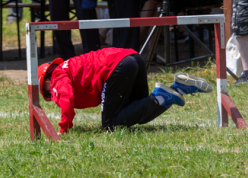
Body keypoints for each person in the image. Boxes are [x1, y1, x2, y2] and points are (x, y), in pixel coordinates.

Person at [38, 48, 212, 134]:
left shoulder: (57, 77)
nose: (50, 95)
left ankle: (162, 96)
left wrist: (63, 129)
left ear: (47, 81)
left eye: (46, 92)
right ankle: (177, 88)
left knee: (109, 125)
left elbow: (66, 98)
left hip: (117, 67)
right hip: (133, 58)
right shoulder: (67, 67)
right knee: (137, 112)